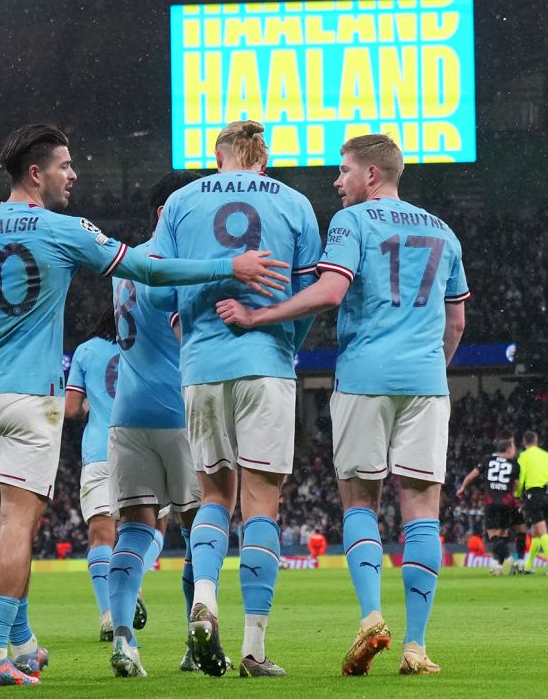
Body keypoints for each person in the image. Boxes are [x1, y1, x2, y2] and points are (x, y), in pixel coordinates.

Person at [0, 123, 290, 687]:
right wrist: (227, 267)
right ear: (36, 174)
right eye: (65, 165)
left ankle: (20, 640)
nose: (73, 174)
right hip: (29, 396)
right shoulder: (63, 230)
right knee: (18, 524)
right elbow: (151, 269)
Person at [217, 133, 468, 677]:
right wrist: (431, 368)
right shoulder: (444, 232)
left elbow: (331, 292)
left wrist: (259, 316)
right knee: (422, 509)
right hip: (427, 381)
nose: (336, 181)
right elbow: (456, 323)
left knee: (360, 502)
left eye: (344, 171)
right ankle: (416, 647)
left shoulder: (351, 223)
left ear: (371, 175)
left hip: (364, 377)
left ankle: (372, 617)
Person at [149, 119, 323, 679]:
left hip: (201, 367)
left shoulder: (180, 201)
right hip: (267, 364)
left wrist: (189, 313)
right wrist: (282, 345)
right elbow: (310, 294)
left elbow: (153, 289)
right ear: (262, 160)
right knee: (262, 502)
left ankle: (204, 597)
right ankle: (252, 648)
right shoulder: (295, 203)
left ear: (217, 156)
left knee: (214, 497)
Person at [104, 169, 206, 678]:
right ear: (169, 211)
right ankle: (195, 641)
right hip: (178, 414)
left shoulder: (124, 265)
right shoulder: (172, 264)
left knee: (135, 530)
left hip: (127, 416)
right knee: (197, 528)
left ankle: (123, 636)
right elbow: (187, 328)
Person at [63, 311, 127, 642]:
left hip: (100, 450)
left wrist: (90, 404)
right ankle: (130, 586)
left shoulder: (86, 351)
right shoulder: (145, 344)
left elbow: (71, 409)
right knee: (145, 531)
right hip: (140, 446)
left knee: (101, 535)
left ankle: (108, 614)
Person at [456, 434, 519, 576]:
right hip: (507, 504)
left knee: (494, 537)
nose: (515, 451)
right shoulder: (514, 464)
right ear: (508, 450)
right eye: (513, 448)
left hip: (491, 503)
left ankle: (508, 558)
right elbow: (516, 486)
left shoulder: (488, 460)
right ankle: (497, 565)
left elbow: (471, 476)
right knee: (503, 535)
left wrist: (462, 488)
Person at [515, 431, 548, 575]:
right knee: (536, 531)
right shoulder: (547, 455)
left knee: (541, 531)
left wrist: (517, 495)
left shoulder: (523, 457)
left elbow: (521, 478)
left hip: (533, 496)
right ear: (537, 441)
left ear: (524, 443)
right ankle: (528, 566)